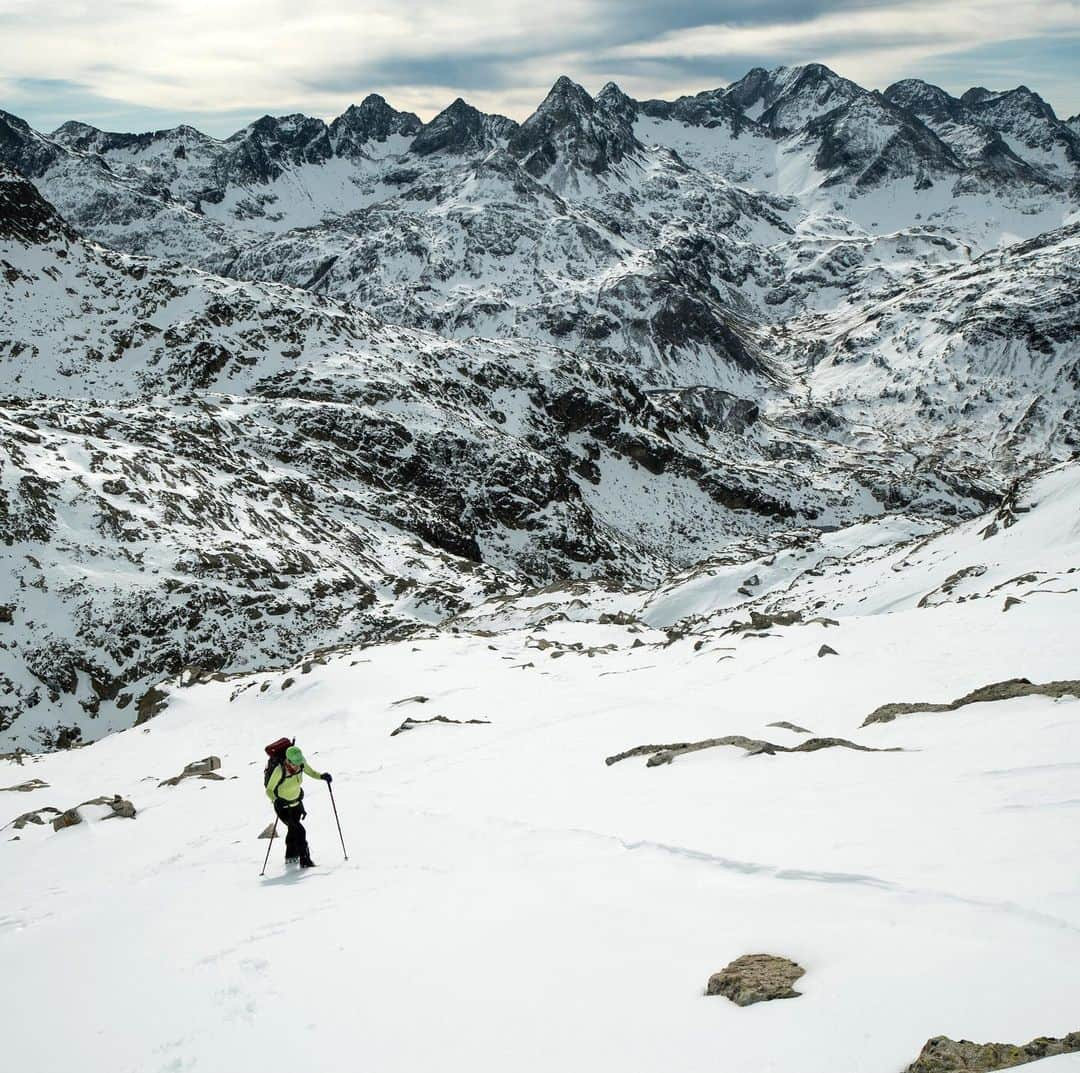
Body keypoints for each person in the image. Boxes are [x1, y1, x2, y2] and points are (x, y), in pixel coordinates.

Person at [265, 745, 332, 868]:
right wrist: (276, 800)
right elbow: (269, 790)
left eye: (298, 762)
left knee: (293, 829)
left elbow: (311, 772)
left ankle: (290, 856)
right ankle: (305, 860)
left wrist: (322, 776)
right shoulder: (279, 770)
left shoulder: (301, 764)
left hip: (297, 804)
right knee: (300, 831)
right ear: (287, 760)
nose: (297, 766)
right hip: (283, 807)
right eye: (294, 763)